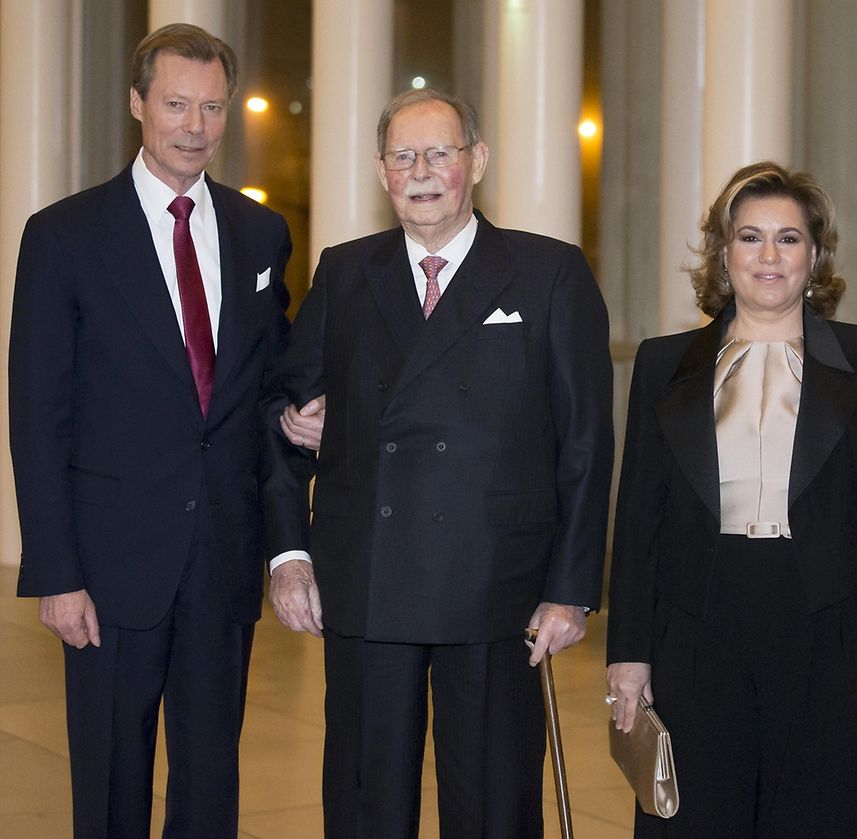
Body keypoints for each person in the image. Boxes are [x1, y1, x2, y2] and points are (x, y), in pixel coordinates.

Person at [262, 88, 614, 837]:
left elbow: (585, 443)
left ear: (476, 162)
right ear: (383, 170)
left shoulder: (548, 273)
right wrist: (291, 553)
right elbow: (283, 415)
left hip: (497, 589)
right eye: (403, 156)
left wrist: (572, 588)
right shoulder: (346, 271)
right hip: (366, 585)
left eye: (440, 153)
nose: (422, 171)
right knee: (364, 806)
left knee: (492, 807)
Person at [8, 23, 294, 838]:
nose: (195, 126)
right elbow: (38, 417)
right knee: (109, 784)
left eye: (211, 107)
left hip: (222, 563)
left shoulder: (258, 233)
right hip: (105, 570)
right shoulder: (63, 237)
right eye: (175, 104)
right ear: (138, 104)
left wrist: (299, 420)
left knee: (211, 787)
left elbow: (266, 388)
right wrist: (56, 573)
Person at [606, 161, 857, 837]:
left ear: (816, 254)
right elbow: (637, 522)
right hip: (696, 624)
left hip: (828, 627)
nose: (769, 256)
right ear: (724, 253)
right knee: (697, 817)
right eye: (750, 237)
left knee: (816, 814)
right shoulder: (665, 364)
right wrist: (627, 652)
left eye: (788, 238)